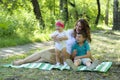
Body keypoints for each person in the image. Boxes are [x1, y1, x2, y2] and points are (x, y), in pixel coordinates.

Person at [13, 18, 93, 65]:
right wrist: (55, 38)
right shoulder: (70, 31)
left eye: (80, 26)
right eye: (77, 25)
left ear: (84, 28)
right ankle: (22, 61)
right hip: (60, 48)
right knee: (42, 53)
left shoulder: (83, 38)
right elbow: (58, 36)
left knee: (43, 58)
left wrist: (90, 59)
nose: (78, 27)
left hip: (66, 55)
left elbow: (86, 52)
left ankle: (25, 63)